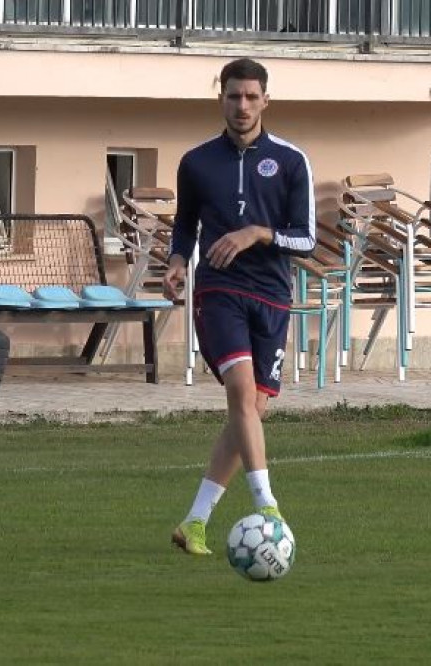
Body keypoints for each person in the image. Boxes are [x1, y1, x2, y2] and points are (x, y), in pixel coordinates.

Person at [163, 58, 315, 555]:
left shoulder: (292, 161)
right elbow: (185, 225)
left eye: (251, 97)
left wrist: (257, 233)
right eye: (233, 96)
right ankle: (267, 507)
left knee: (252, 408)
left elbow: (307, 238)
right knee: (240, 389)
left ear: (266, 100)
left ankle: (196, 521)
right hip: (219, 291)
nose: (242, 105)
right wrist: (178, 260)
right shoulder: (197, 162)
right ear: (221, 98)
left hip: (272, 296)